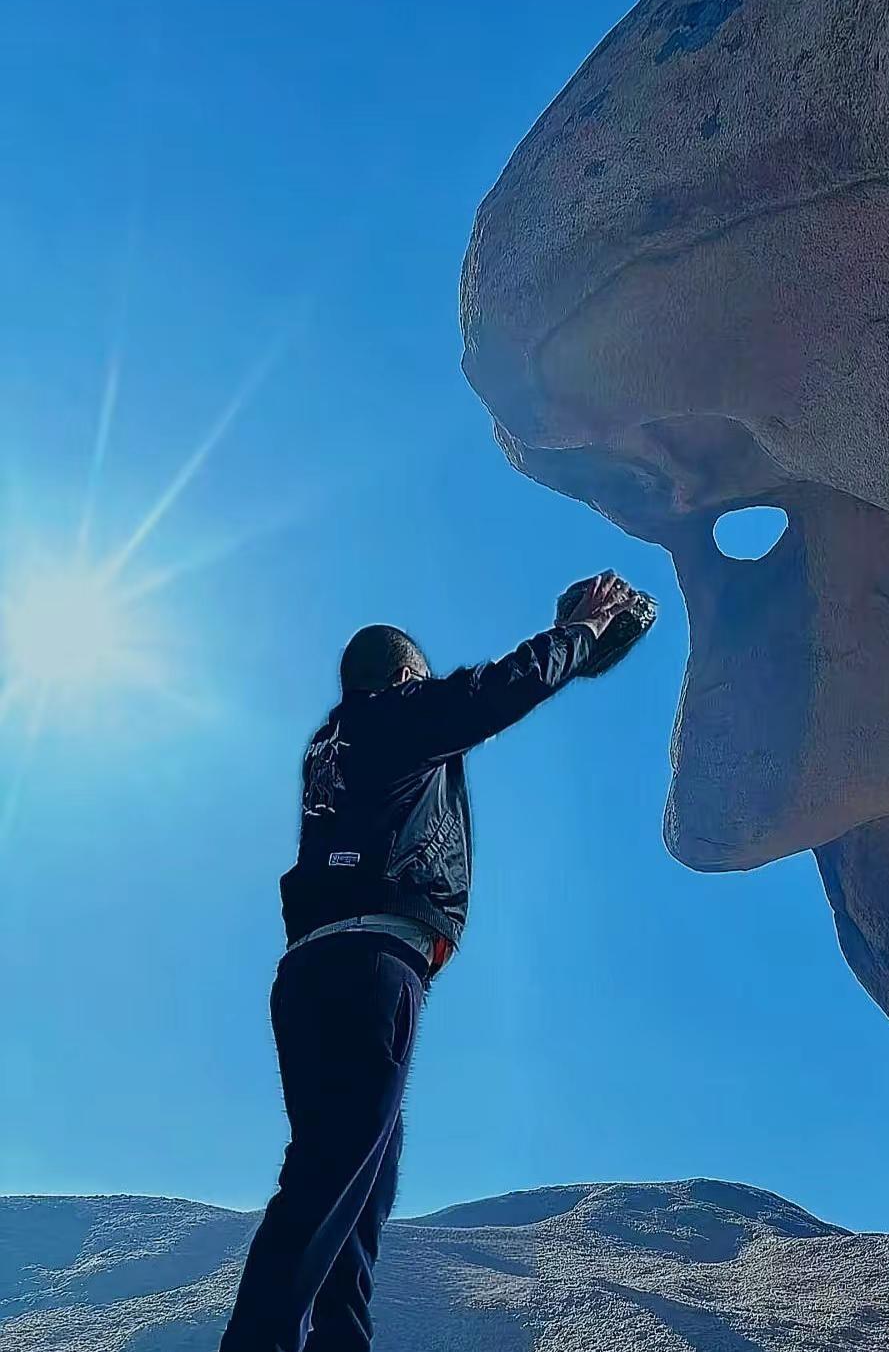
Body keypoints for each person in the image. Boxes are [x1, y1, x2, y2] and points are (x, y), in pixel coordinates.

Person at [218, 570, 639, 1352]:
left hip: (312, 970)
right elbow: (489, 694)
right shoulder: (390, 719)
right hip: (371, 963)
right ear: (405, 679)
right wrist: (578, 636)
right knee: (333, 1172)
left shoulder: (333, 744)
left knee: (356, 1182)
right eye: (421, 679)